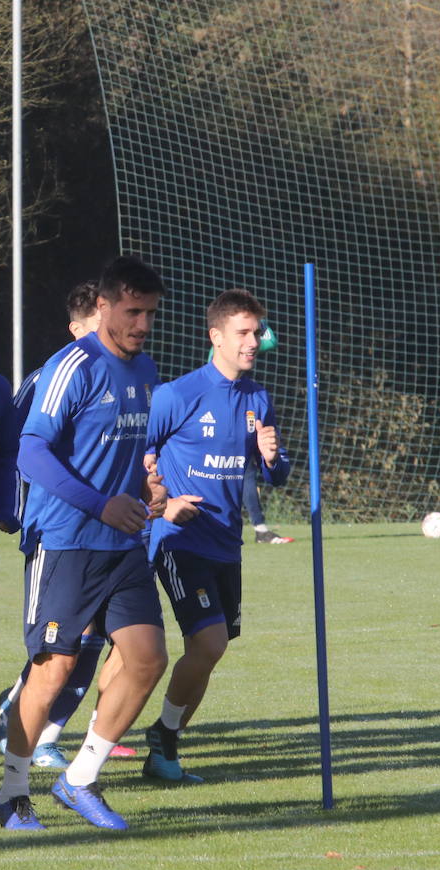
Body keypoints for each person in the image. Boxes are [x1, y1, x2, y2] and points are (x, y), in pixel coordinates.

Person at [0, 255, 169, 832]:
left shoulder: (145, 370)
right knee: (54, 669)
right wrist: (100, 503)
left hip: (123, 546)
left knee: (146, 659)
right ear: (103, 306)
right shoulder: (71, 365)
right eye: (132, 311)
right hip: (67, 541)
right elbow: (30, 450)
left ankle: (80, 779)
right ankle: (13, 794)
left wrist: (149, 486)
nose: (142, 324)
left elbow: (129, 453)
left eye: (149, 313)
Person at [142, 289, 290, 782]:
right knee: (208, 643)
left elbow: (277, 476)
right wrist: (162, 505)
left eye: (257, 332)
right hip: (178, 540)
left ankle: (164, 747)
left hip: (227, 544)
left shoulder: (257, 398)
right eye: (243, 333)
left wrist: (271, 458)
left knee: (212, 648)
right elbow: (133, 457)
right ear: (216, 336)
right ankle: (154, 736)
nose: (253, 341)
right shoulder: (177, 395)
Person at [0, 281, 136, 766]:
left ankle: (57, 733)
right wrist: (12, 509)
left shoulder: (129, 373)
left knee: (104, 642)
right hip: (58, 531)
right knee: (59, 650)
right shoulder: (50, 377)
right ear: (78, 328)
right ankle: (20, 722)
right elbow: (21, 451)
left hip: (113, 534)